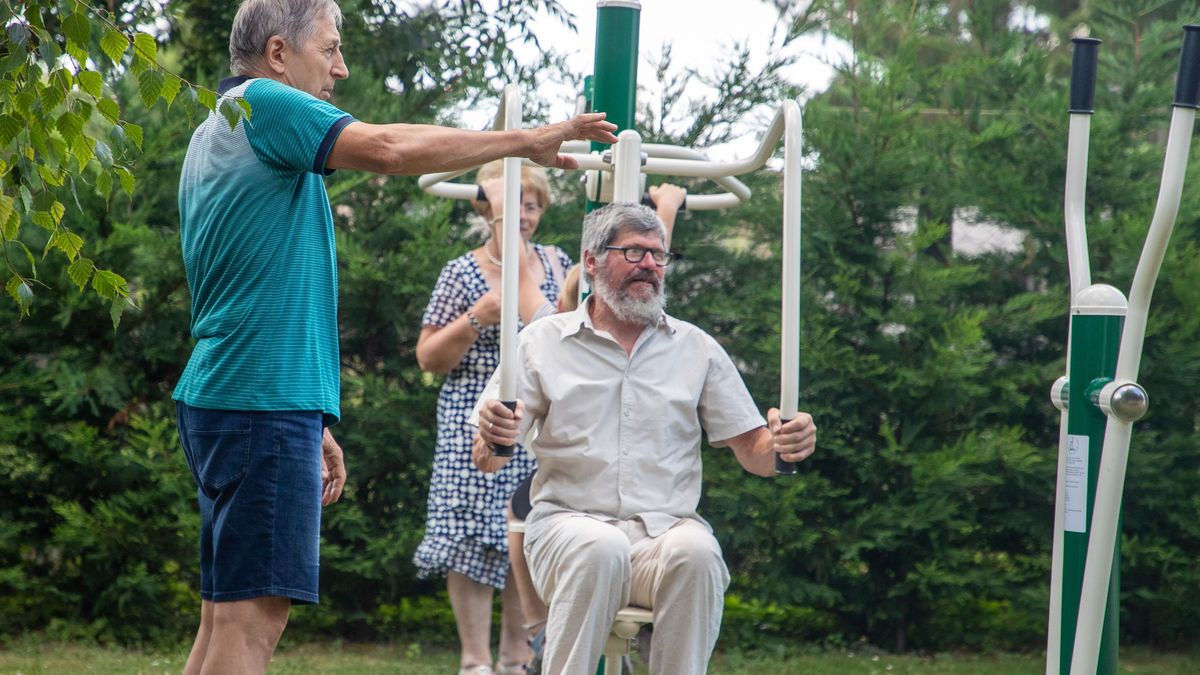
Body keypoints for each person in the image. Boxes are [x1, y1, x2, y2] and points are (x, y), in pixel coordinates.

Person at [172, 0, 618, 672]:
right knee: (252, 624)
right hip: (258, 400)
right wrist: (523, 142)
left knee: (224, 621)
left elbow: (250, 283)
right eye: (329, 48)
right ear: (276, 54)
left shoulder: (220, 126)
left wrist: (311, 414)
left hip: (239, 395)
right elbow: (386, 149)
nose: (340, 68)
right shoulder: (264, 103)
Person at [474, 202, 817, 675]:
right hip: (568, 528)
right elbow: (488, 458)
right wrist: (494, 436)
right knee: (600, 547)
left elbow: (755, 451)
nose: (651, 265)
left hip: (663, 534)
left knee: (698, 553)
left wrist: (784, 443)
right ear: (591, 261)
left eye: (658, 255)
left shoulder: (695, 347)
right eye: (634, 252)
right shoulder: (541, 342)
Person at [416, 178, 686, 675]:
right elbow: (523, 274)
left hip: (563, 428)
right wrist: (502, 205)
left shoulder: (565, 313)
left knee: (534, 513)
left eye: (533, 206)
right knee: (511, 521)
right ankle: (509, 647)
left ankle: (533, 640)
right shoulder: (543, 321)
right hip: (507, 421)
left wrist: (663, 210)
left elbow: (643, 264)